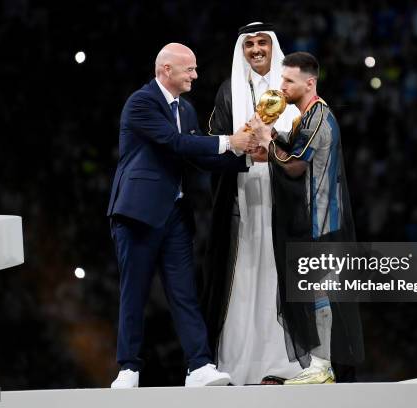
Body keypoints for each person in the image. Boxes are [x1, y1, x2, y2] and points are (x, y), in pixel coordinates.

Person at [107, 43, 256, 388]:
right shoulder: (141, 102)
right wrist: (229, 141)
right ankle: (128, 369)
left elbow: (198, 156)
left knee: (184, 291)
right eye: (189, 69)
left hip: (174, 213)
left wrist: (247, 156)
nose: (195, 75)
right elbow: (175, 143)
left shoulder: (186, 109)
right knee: (135, 292)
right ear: (166, 70)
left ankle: (199, 366)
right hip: (138, 214)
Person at [249, 51, 364, 384]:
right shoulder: (304, 119)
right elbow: (290, 155)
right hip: (312, 218)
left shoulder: (319, 117)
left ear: (309, 82)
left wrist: (268, 140)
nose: (281, 85)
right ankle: (321, 364)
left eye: (288, 80)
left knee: (321, 291)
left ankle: (322, 365)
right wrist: (269, 145)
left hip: (322, 218)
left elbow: (296, 165)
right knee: (315, 290)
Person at [202, 22, 303, 385]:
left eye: (262, 43)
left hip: (284, 198)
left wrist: (272, 147)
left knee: (279, 275)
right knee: (243, 276)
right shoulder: (229, 92)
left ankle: (282, 363)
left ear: (274, 47)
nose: (257, 49)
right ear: (241, 51)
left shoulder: (291, 91)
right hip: (242, 198)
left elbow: (307, 143)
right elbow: (215, 144)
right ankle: (239, 363)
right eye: (250, 45)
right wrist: (243, 147)